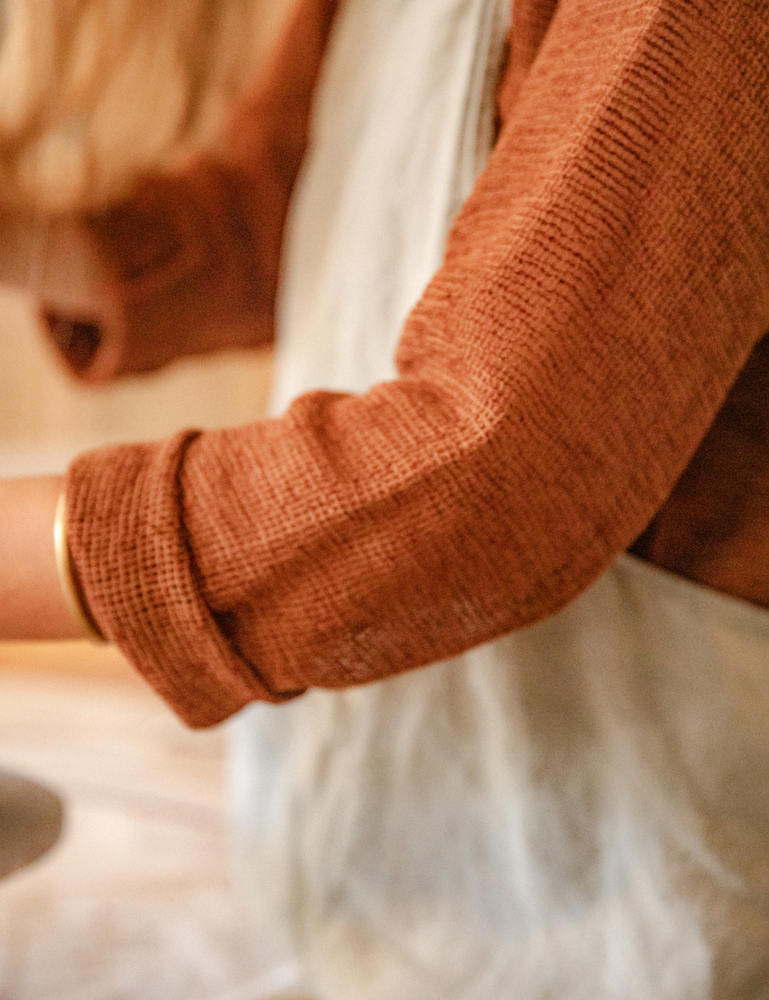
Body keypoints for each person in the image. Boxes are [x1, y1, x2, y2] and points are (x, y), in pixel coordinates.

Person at [2, 0, 769, 996]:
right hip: (394, 849)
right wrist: (27, 242)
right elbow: (287, 203)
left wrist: (52, 553)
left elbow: (495, 471)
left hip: (657, 879)